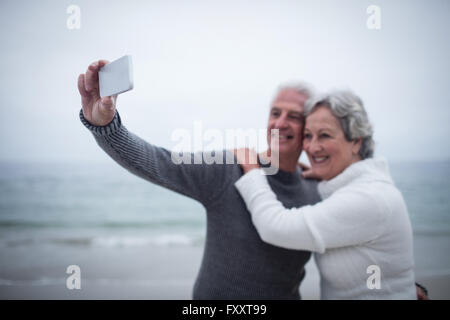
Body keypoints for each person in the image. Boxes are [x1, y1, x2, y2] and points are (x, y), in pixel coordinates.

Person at [77, 59, 321, 299]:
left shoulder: (316, 189)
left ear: (311, 126)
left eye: (294, 117)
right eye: (275, 113)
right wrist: (106, 126)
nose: (280, 123)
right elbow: (158, 163)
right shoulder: (230, 170)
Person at [234, 90, 418, 299]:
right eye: (308, 136)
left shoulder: (369, 198)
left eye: (325, 135)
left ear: (357, 141)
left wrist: (252, 171)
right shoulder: (349, 187)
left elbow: (276, 227)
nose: (312, 147)